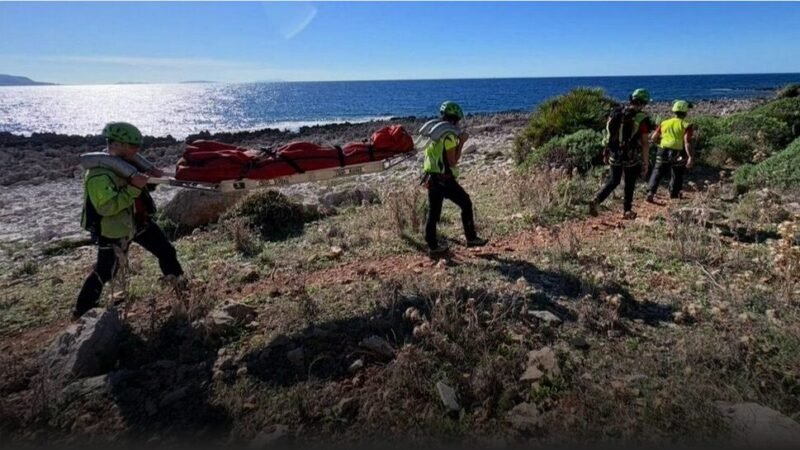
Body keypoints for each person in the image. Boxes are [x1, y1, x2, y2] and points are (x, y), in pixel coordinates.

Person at [73, 122, 185, 320]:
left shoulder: (129, 164)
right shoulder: (98, 175)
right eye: (132, 145)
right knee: (106, 272)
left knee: (166, 251)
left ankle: (181, 290)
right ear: (117, 145)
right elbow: (106, 207)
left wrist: (151, 180)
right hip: (115, 230)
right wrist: (133, 187)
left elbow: (142, 191)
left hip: (139, 222)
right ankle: (80, 313)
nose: (137, 149)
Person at [419, 101, 488, 256]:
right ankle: (471, 238)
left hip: (432, 178)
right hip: (445, 180)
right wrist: (462, 142)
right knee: (466, 203)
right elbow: (453, 161)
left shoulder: (434, 134)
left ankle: (433, 246)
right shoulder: (448, 136)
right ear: (456, 118)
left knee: (433, 214)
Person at [589, 88, 653, 219]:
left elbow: (609, 134)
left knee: (614, 180)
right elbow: (645, 143)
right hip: (631, 156)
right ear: (643, 103)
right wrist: (646, 162)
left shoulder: (616, 113)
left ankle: (597, 199)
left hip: (614, 153)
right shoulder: (642, 119)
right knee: (629, 183)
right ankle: (627, 211)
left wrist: (606, 151)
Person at [646, 100, 695, 202]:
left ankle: (650, 192)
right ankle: (674, 194)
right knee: (677, 173)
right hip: (678, 152)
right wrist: (690, 157)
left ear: (674, 111)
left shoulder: (664, 123)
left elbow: (653, 138)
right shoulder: (686, 125)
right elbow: (687, 142)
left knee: (657, 171)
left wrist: (660, 144)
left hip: (662, 150)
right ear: (685, 112)